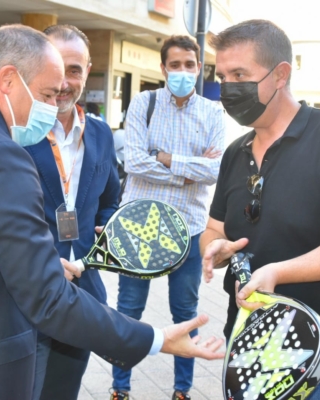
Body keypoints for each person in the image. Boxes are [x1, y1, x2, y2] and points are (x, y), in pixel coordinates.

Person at [0, 24, 225, 400]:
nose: (50, 106)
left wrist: (33, 262)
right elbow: (48, 299)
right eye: (44, 94)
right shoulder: (0, 154)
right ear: (8, 79)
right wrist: (154, 339)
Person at [201, 20, 320, 400]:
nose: (228, 87)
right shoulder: (236, 153)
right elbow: (216, 229)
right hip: (251, 338)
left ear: (280, 74)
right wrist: (214, 248)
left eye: (240, 74)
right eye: (222, 76)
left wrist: (277, 273)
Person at [111, 35, 225, 400]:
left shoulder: (213, 112)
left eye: (189, 65)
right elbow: (134, 162)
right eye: (174, 65)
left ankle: (181, 390)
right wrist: (191, 168)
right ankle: (119, 388)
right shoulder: (144, 102)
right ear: (163, 69)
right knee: (129, 310)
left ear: (198, 67)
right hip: (140, 224)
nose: (182, 72)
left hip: (190, 228)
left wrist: (163, 157)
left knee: (185, 313)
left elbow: (216, 170)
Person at [23, 24, 120, 400]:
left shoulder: (100, 133)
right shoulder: (14, 132)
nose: (65, 82)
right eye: (57, 69)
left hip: (82, 294)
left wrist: (104, 235)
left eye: (75, 69)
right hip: (26, 297)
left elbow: (110, 197)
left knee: (63, 392)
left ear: (88, 70)